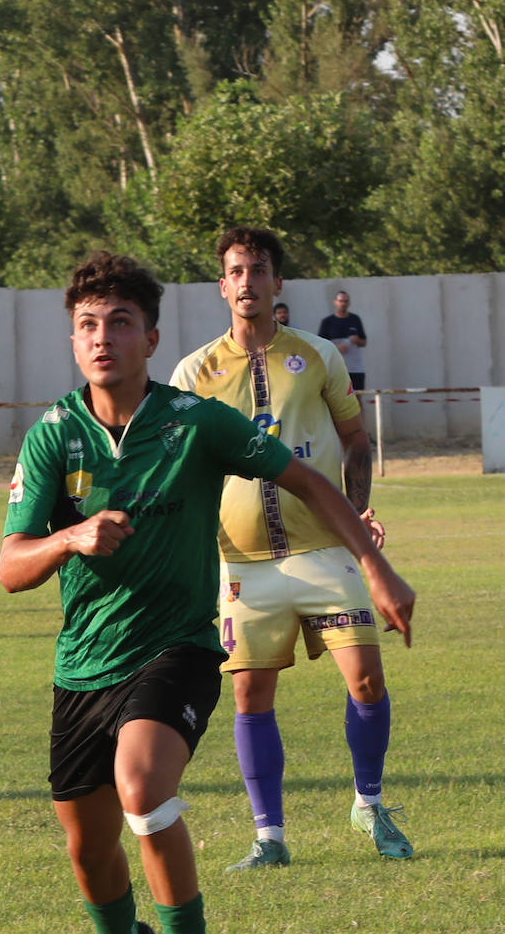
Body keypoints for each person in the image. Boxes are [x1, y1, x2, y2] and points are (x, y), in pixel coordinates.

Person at [0, 251, 414, 934]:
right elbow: (12, 566)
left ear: (151, 338)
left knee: (143, 788)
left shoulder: (193, 421)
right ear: (73, 341)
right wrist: (72, 537)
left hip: (177, 648)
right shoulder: (54, 435)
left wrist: (378, 567)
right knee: (88, 851)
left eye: (120, 323)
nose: (102, 338)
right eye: (87, 325)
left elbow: (311, 482)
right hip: (83, 664)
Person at [171, 226, 414, 871]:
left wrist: (359, 509)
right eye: (236, 271)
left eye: (258, 269)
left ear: (278, 282)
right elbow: (175, 463)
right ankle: (270, 838)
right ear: (222, 286)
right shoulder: (194, 371)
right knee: (251, 695)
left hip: (324, 550)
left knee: (366, 678)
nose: (247, 281)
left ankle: (369, 801)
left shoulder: (318, 355)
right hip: (242, 562)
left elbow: (355, 439)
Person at [317, 289, 367, 391]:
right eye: (341, 301)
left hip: (355, 369)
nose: (343, 304)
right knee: (336, 397)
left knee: (357, 397)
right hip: (335, 368)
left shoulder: (355, 319)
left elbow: (364, 342)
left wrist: (357, 340)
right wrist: (336, 347)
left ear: (349, 303)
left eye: (345, 301)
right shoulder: (328, 321)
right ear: (335, 302)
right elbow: (320, 344)